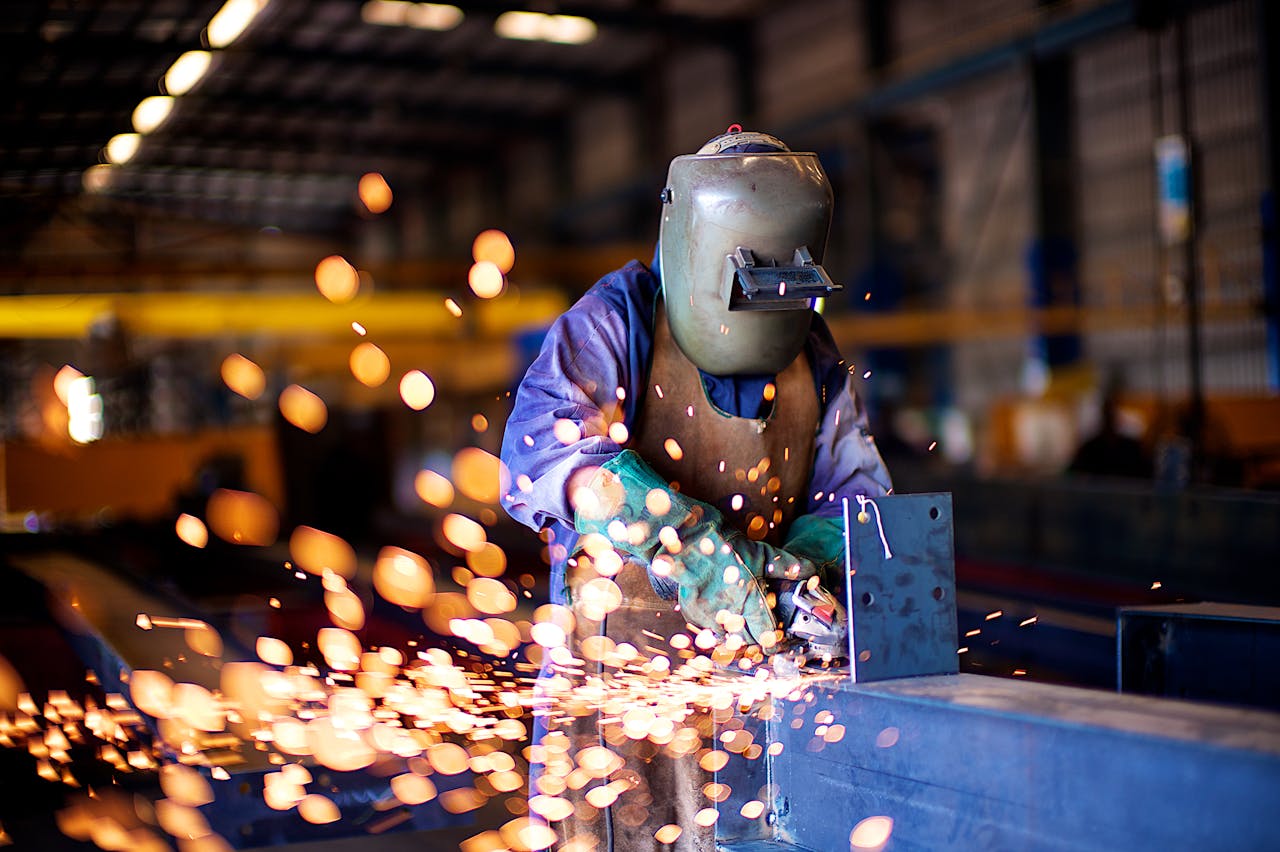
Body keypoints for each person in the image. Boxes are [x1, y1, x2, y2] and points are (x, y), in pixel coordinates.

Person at [500, 127, 892, 851]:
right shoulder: (617, 319)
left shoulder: (815, 354)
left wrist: (799, 561)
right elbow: (547, 460)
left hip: (756, 681)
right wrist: (685, 542)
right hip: (617, 691)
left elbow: (863, 504)